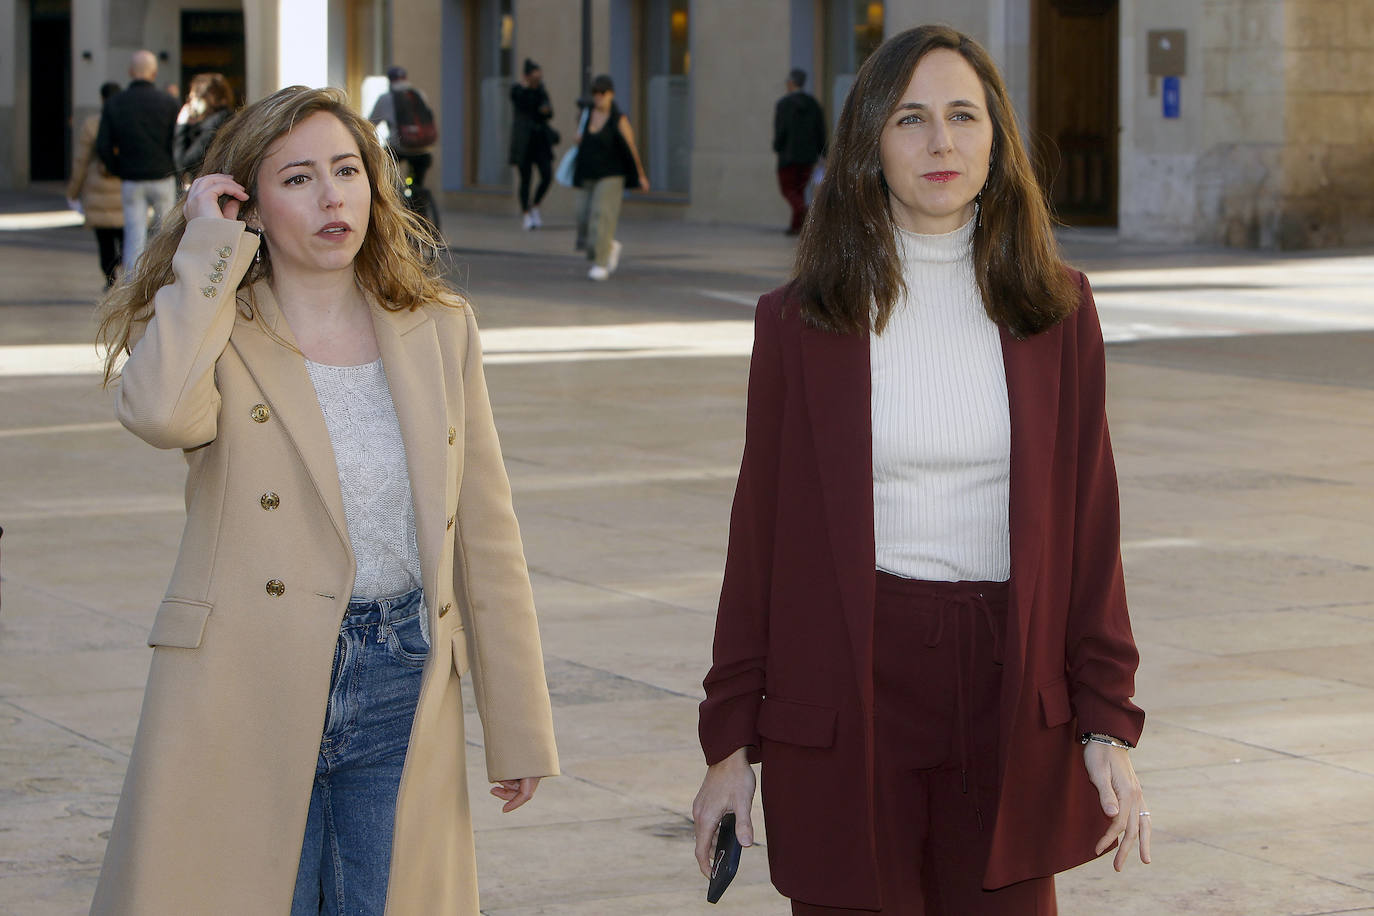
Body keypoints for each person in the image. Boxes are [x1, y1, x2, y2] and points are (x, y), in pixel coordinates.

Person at [692, 25, 1149, 915]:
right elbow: (760, 542)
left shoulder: (1058, 311)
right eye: (911, 119)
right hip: (849, 681)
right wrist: (728, 746)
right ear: (871, 144)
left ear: (995, 140)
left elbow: (1090, 529)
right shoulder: (799, 324)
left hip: (1007, 682)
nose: (941, 142)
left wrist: (1106, 722)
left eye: (962, 116)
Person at [90, 86, 559, 915]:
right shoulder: (218, 329)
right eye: (298, 178)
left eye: (347, 170)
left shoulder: (439, 326)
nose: (331, 195)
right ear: (253, 205)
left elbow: (484, 534)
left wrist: (518, 722)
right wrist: (205, 244)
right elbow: (158, 411)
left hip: (401, 683)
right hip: (244, 682)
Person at [97, 50, 180, 275]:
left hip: (132, 177)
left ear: (131, 72)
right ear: (154, 73)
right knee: (166, 233)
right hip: (163, 174)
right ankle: (164, 279)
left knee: (134, 236)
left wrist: (118, 168)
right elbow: (179, 141)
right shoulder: (170, 103)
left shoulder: (115, 103)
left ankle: (133, 287)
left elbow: (103, 144)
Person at [572, 74, 649, 282]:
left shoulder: (619, 119)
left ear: (611, 94)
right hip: (588, 175)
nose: (598, 97)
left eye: (602, 93)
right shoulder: (586, 114)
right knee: (582, 217)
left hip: (612, 175)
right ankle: (608, 246)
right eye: (595, 93)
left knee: (601, 215)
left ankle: (601, 263)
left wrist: (640, 175)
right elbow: (579, 140)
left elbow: (631, 148)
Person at [67, 81, 124, 288]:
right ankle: (124, 268)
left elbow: (81, 161)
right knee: (127, 236)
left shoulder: (92, 124)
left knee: (104, 240)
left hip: (97, 189)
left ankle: (110, 277)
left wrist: (73, 191)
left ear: (102, 99)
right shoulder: (127, 120)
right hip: (123, 187)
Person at [773, 68, 827, 236]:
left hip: (788, 156)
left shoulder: (783, 105)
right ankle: (796, 226)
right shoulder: (813, 104)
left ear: (791, 84)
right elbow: (820, 131)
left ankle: (803, 211)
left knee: (788, 189)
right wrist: (822, 152)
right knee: (799, 190)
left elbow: (780, 130)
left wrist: (777, 146)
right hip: (808, 156)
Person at [368, 65, 436, 191]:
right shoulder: (419, 95)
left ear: (390, 80)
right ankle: (418, 199)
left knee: (383, 168)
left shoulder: (385, 98)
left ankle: (390, 194)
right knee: (417, 185)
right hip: (423, 149)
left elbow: (370, 125)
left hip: (399, 147)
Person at [509, 58, 557, 231]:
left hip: (540, 141)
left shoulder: (541, 91)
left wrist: (545, 108)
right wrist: (526, 87)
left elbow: (549, 111)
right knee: (525, 179)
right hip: (524, 143)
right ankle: (526, 214)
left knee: (547, 174)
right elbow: (518, 101)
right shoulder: (518, 90)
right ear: (527, 76)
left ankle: (535, 204)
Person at [174, 72, 235, 187]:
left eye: (192, 98)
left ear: (205, 99)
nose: (190, 103)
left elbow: (184, 163)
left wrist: (181, 125)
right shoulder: (229, 120)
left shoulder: (211, 126)